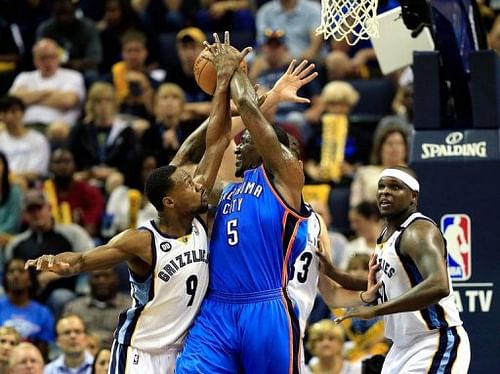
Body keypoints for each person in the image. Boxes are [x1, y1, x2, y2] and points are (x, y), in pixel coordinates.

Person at [25, 35, 251, 374]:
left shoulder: (194, 214)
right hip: (139, 351)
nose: (200, 185)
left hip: (183, 350)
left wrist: (222, 85)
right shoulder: (142, 241)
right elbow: (85, 259)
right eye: (190, 185)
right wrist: (60, 263)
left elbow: (216, 140)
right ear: (170, 201)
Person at [319, 166, 471, 373]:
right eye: (381, 187)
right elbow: (383, 285)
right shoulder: (386, 235)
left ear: (413, 197)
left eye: (395, 187)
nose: (385, 192)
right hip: (401, 348)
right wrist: (333, 272)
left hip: (434, 340)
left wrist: (376, 310)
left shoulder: (418, 231)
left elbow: (439, 285)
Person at [0, 258, 55, 359]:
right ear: (5, 278)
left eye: (21, 271)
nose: (16, 275)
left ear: (30, 280)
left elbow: (43, 353)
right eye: (11, 271)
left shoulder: (42, 313)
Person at [63, 268, 130, 348]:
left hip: (120, 354)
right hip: (84, 354)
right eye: (96, 276)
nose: (101, 280)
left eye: (107, 276)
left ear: (116, 279)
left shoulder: (130, 307)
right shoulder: (74, 308)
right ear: (89, 280)